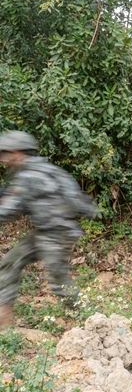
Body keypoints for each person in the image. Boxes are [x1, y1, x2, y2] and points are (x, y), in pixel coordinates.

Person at [0, 130, 96, 328]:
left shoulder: (28, 176)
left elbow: (8, 211)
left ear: (18, 152)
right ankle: (4, 322)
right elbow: (73, 195)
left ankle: (94, 321)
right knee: (10, 263)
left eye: (6, 153)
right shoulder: (48, 169)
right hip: (49, 231)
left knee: (58, 281)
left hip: (55, 234)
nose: (4, 159)